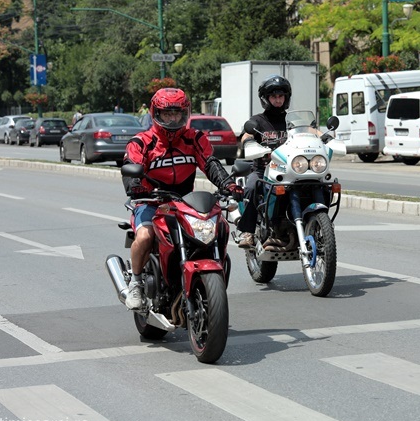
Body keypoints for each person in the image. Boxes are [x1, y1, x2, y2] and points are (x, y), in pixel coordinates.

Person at [121, 87, 243, 309]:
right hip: (152, 202)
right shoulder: (141, 142)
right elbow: (131, 167)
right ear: (156, 113)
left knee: (218, 228)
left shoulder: (194, 138)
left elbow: (210, 163)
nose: (173, 119)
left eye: (177, 114)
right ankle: (136, 283)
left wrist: (229, 184)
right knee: (146, 236)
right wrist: (135, 186)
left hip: (186, 203)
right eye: (168, 114)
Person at [236, 75, 294, 248]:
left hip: (290, 170)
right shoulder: (258, 120)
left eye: (281, 96)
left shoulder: (291, 121)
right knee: (252, 187)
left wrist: (326, 137)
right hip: (263, 170)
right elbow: (247, 134)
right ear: (266, 99)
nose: (278, 100)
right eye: (274, 96)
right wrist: (248, 141)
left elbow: (311, 131)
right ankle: (248, 232)